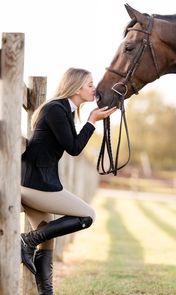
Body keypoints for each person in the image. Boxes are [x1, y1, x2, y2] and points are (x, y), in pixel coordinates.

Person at [20, 67, 116, 294]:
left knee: (47, 242)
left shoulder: (65, 110)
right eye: (90, 84)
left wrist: (91, 119)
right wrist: (92, 121)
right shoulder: (56, 109)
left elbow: (72, 144)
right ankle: (27, 241)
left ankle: (46, 291)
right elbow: (73, 148)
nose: (94, 89)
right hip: (35, 185)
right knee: (87, 216)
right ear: (77, 87)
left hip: (37, 182)